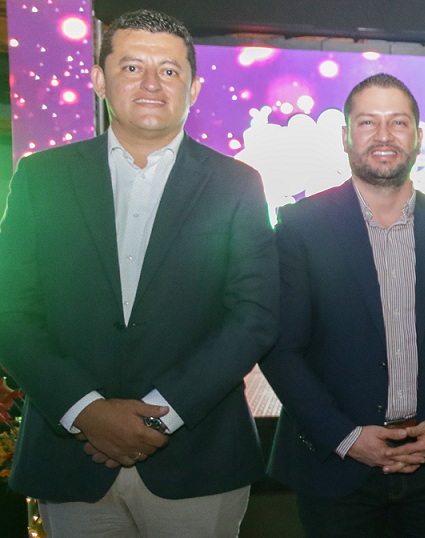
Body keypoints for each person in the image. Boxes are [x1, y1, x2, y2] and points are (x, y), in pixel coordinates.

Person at [0, 9, 277, 536]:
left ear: (193, 89)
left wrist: (161, 414)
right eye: (132, 67)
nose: (152, 83)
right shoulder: (42, 178)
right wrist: (86, 411)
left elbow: (255, 317)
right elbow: (10, 309)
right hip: (71, 459)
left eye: (169, 71)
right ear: (100, 80)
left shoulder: (237, 185)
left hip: (198, 459)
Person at [260, 74, 425, 536]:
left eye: (398, 122)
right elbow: (280, 349)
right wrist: (347, 438)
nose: (383, 135)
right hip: (336, 468)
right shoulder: (300, 227)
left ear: (419, 138)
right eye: (368, 122)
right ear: (345, 137)